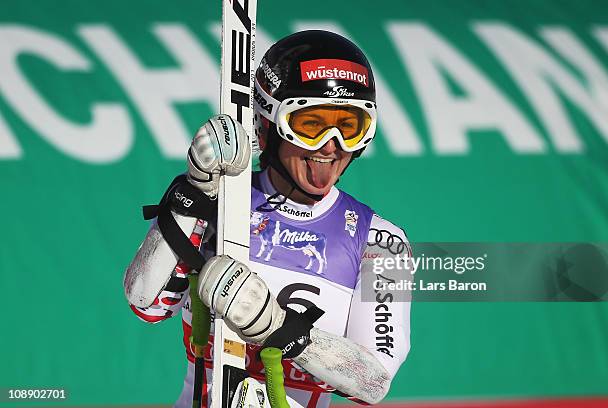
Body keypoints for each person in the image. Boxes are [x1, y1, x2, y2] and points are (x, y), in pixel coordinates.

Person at [126, 30, 411, 408]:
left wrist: (278, 327)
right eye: (311, 125)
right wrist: (193, 192)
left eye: (349, 125)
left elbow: (374, 381)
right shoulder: (219, 200)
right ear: (269, 124)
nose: (331, 145)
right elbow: (146, 302)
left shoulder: (381, 242)